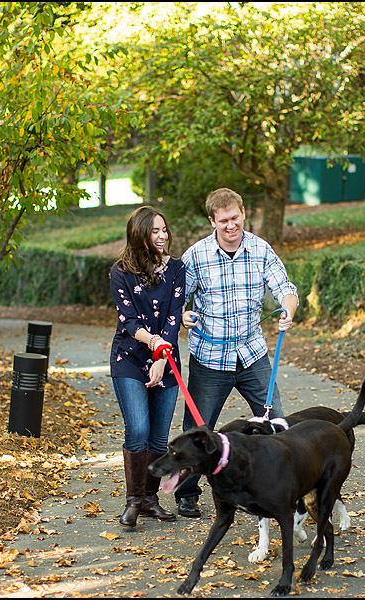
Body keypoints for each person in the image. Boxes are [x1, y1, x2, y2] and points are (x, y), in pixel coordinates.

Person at [175, 187, 299, 518]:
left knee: (279, 423)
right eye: (224, 220)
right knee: (198, 430)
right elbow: (178, 302)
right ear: (212, 221)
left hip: (252, 354)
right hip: (210, 360)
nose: (231, 226)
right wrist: (184, 316)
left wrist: (288, 310)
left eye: (236, 218)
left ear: (243, 213)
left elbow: (285, 289)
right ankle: (187, 492)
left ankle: (288, 486)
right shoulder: (196, 256)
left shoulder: (260, 249)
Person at [109, 206, 186, 526]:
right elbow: (128, 321)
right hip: (129, 358)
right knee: (138, 429)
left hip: (167, 359)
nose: (162, 236)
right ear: (139, 233)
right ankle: (133, 501)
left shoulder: (177, 269)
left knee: (158, 437)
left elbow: (173, 318)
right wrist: (152, 349)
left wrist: (161, 360)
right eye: (155, 231)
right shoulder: (120, 272)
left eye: (164, 230)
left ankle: (151, 500)